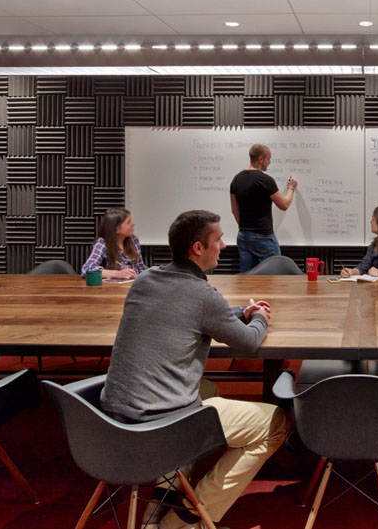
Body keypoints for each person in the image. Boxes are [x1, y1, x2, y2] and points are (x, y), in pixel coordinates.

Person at [100, 210, 287, 529]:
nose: (224, 246)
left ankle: (156, 508)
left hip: (113, 421)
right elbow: (248, 344)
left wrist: (241, 310)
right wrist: (259, 319)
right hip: (163, 425)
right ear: (198, 248)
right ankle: (186, 520)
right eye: (218, 239)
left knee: (208, 390)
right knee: (275, 423)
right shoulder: (202, 295)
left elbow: (188, 313)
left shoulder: (146, 280)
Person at [229, 144, 298, 273]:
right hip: (263, 237)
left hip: (243, 236)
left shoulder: (236, 179)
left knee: (246, 278)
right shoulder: (265, 180)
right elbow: (284, 204)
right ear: (260, 159)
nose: (269, 162)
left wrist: (246, 229)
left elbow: (234, 209)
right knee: (274, 276)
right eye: (268, 159)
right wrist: (291, 188)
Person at [80, 207, 146, 279]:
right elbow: (86, 270)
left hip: (133, 286)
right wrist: (117, 274)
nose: (133, 224)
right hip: (111, 288)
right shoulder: (102, 243)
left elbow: (141, 268)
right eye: (128, 222)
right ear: (116, 229)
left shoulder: (134, 240)